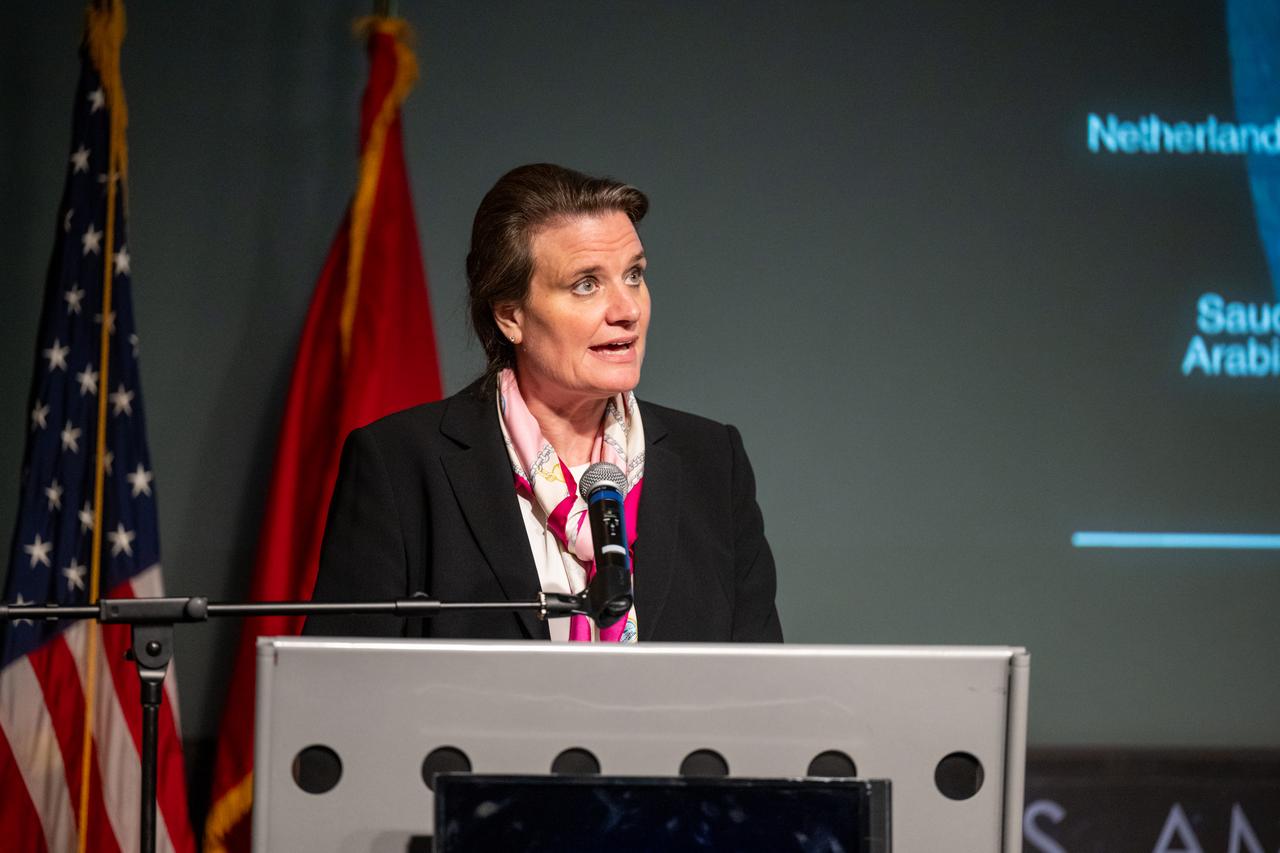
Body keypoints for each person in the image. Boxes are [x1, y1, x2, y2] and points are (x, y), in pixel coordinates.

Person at [305, 163, 781, 642]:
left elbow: (764, 690)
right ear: (511, 316)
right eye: (586, 284)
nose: (628, 310)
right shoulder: (403, 464)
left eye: (634, 275)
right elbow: (340, 691)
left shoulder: (713, 463)